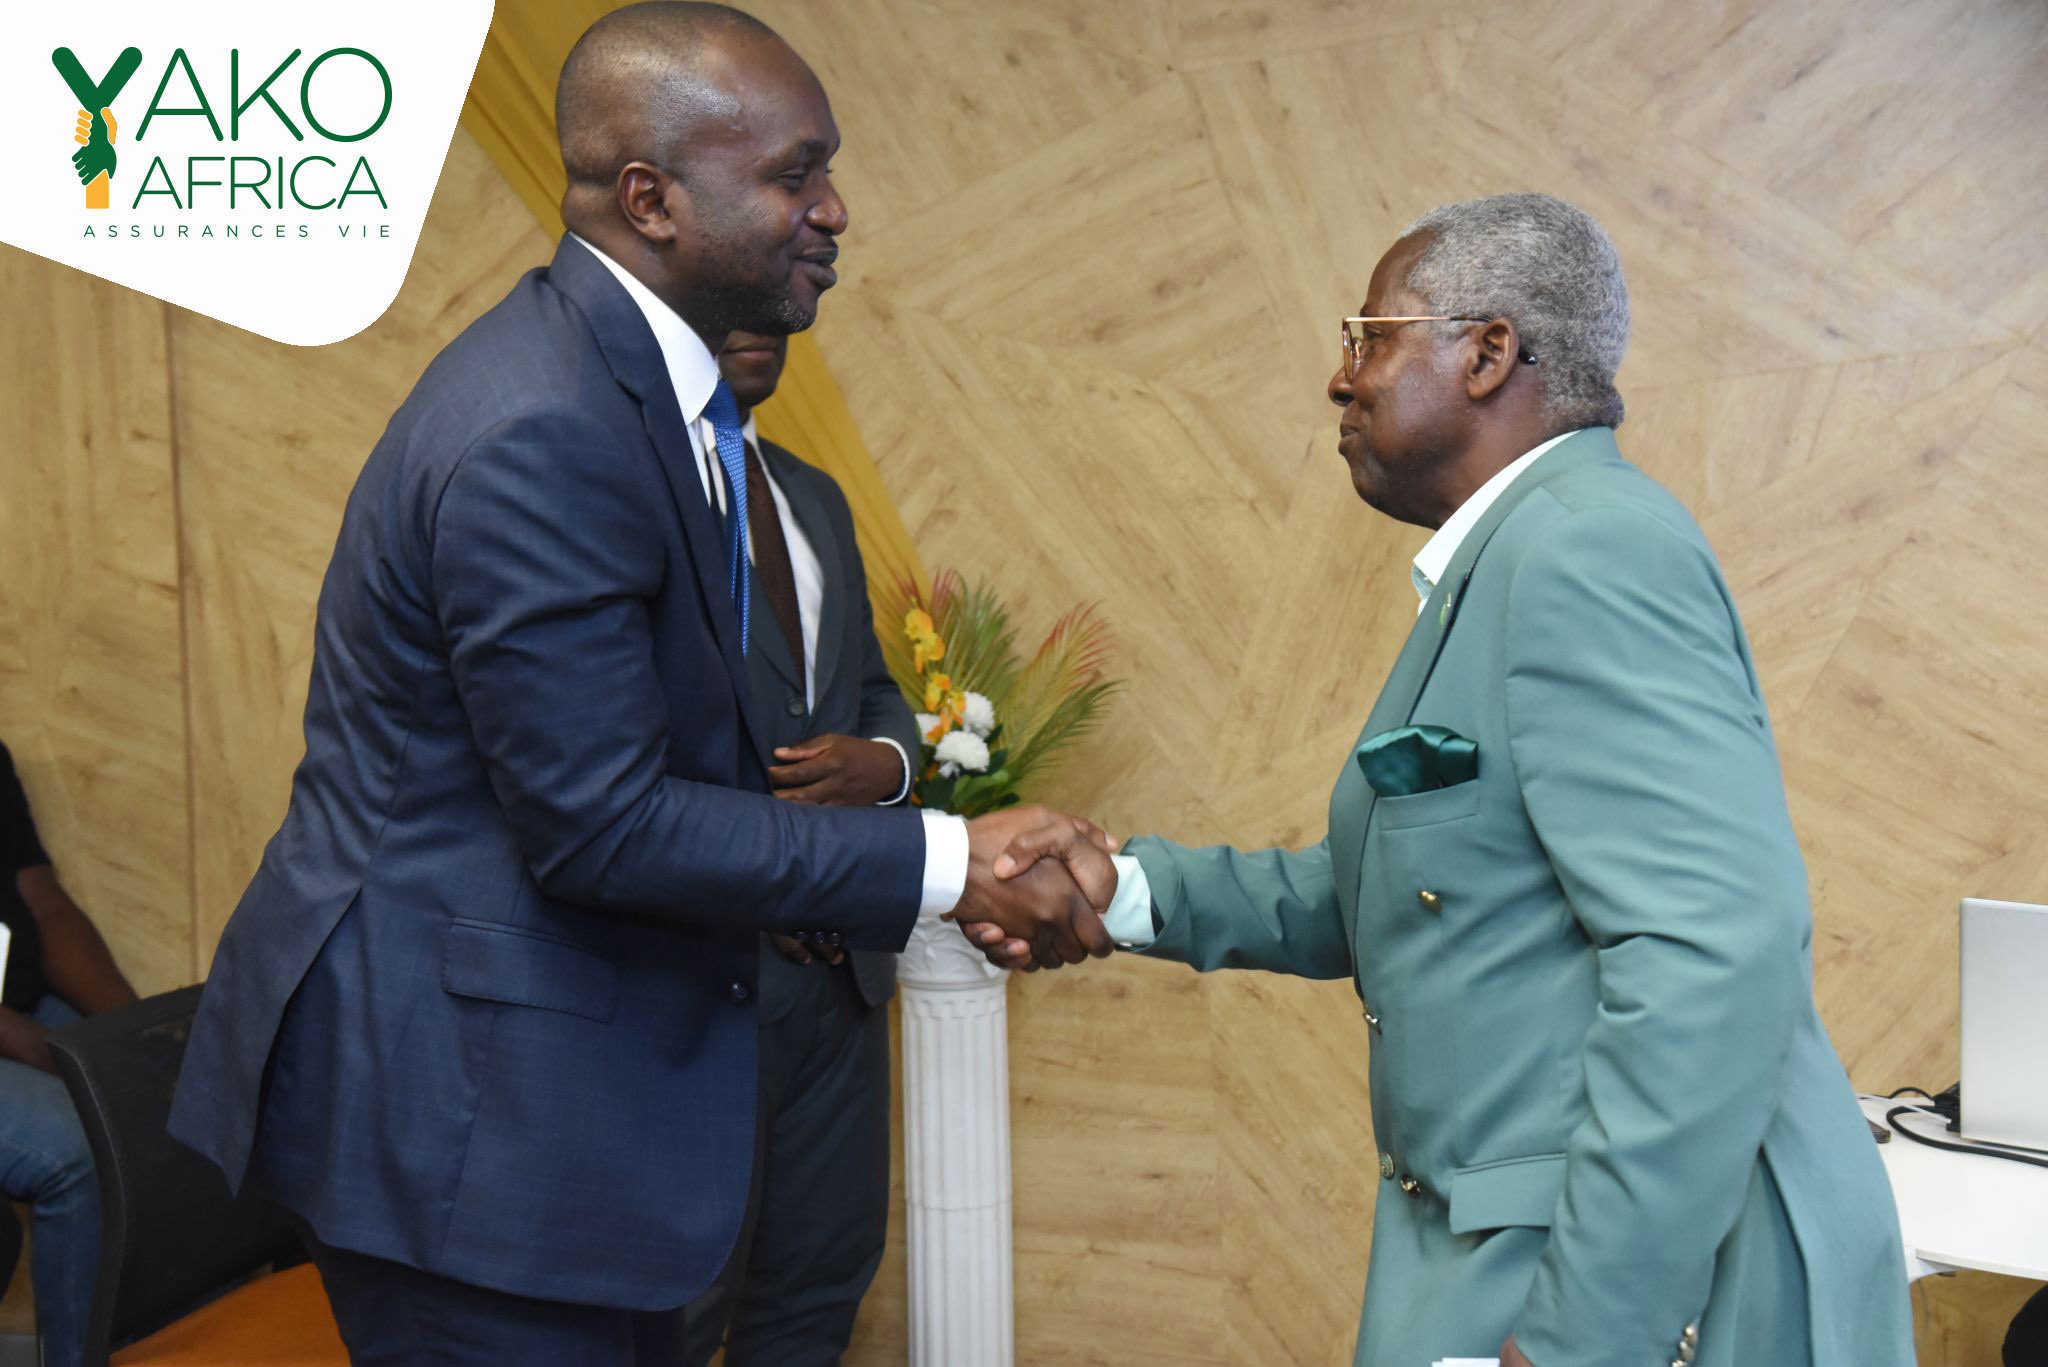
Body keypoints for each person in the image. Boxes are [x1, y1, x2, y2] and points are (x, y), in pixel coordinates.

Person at [165, 6, 1112, 1364]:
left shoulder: (653, 406)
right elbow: (601, 822)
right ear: (652, 200)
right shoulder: (546, 423)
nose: (833, 209)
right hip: (469, 1136)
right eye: (793, 174)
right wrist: (953, 862)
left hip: (563, 1117)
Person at [979, 194, 1915, 1367]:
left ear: (1486, 353)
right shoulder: (1517, 552)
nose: (1339, 378)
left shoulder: (1585, 549)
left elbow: (1711, 955)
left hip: (1642, 1285)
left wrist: (1580, 1341)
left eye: (1368, 336)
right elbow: (1415, 888)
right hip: (1501, 1247)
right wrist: (1117, 887)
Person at [677, 329, 916, 1362]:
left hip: (842, 983)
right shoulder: (640, 490)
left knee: (819, 1287)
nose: (758, 327)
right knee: (682, 1307)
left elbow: (873, 691)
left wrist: (885, 764)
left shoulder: (814, 496)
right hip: (706, 983)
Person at [0, 740, 140, 1367]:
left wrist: (133, 1033)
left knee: (168, 1102)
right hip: (10, 1021)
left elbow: (43, 903)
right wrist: (23, 1040)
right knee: (79, 1147)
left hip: (21, 998)